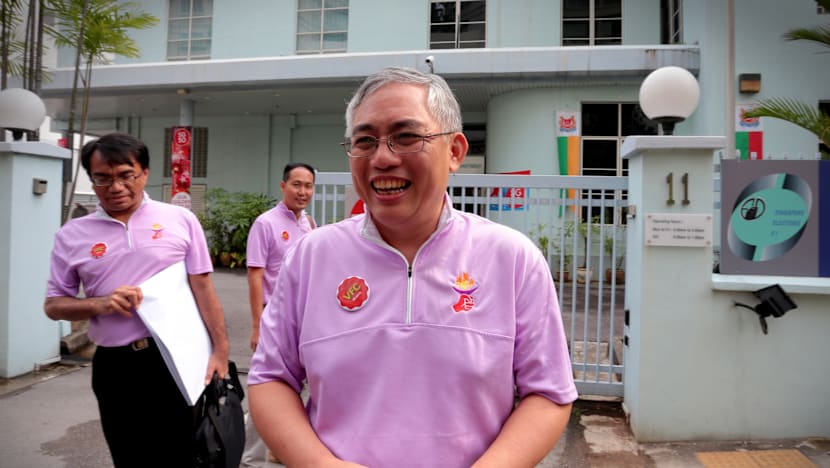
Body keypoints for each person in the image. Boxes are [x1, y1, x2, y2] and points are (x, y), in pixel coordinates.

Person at [248, 67, 577, 467]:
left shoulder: (512, 259)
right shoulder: (311, 257)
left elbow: (549, 393)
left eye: (406, 137)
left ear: (455, 151)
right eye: (365, 141)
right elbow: (270, 380)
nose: (382, 158)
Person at [43, 132, 230, 467]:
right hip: (117, 366)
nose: (115, 187)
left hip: (177, 358)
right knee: (129, 455)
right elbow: (54, 305)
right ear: (92, 179)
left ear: (144, 172)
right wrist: (98, 304)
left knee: (186, 453)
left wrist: (220, 351)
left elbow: (204, 289)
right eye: (103, 178)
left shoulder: (180, 220)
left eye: (125, 175)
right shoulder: (71, 235)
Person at [242, 162, 316, 467]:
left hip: (304, 320)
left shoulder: (308, 224)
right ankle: (253, 459)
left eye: (308, 186)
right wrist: (257, 326)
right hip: (273, 319)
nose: (303, 192)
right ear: (283, 186)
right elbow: (255, 274)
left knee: (303, 389)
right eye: (296, 185)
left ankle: (287, 452)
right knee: (269, 388)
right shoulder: (265, 223)